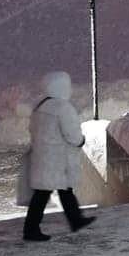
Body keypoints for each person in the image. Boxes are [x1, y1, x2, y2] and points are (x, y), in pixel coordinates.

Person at [21, 71, 95, 242]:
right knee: (44, 194)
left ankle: (76, 219)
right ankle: (31, 230)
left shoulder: (41, 106)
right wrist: (80, 141)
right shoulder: (63, 108)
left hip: (43, 156)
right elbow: (72, 135)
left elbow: (33, 130)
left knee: (61, 189)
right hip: (58, 158)